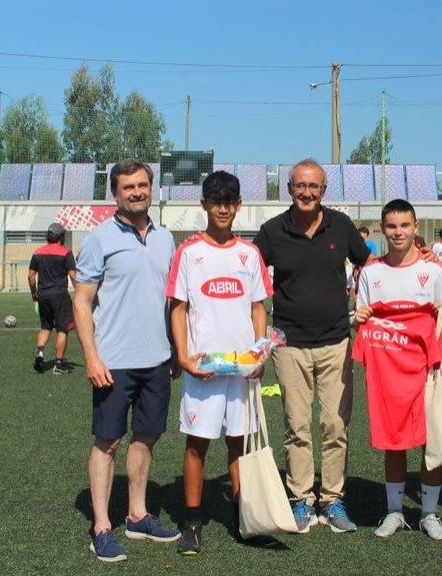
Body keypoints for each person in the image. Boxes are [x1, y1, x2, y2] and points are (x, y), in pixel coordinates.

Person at [254, 159, 372, 533]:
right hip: (289, 344)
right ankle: (301, 499)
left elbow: (371, 266)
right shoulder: (272, 231)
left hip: (336, 341)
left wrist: (416, 260)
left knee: (335, 425)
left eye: (314, 186)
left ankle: (333, 499)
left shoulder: (341, 225)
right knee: (297, 426)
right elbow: (247, 271)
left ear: (324, 190)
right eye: (300, 186)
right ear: (290, 188)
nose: (307, 192)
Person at [73, 160, 180, 562]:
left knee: (146, 437)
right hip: (113, 361)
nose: (136, 192)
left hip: (157, 360)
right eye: (128, 187)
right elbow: (82, 301)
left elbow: (171, 301)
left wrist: (174, 349)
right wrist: (91, 357)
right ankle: (101, 527)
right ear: (115, 194)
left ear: (151, 188)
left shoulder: (165, 239)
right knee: (109, 441)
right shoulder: (99, 239)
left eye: (142, 185)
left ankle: (137, 515)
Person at [167, 171, 272, 555]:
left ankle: (244, 517)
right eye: (216, 202)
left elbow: (258, 308)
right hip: (204, 368)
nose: (223, 209)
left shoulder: (250, 254)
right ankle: (192, 522)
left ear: (239, 205)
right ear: (204, 205)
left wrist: (259, 353)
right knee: (197, 444)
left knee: (238, 444)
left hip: (241, 370)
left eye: (229, 202)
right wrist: (183, 356)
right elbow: (178, 309)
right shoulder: (188, 253)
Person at [353, 199, 442, 541]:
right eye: (392, 226)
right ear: (382, 230)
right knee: (393, 441)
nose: (398, 232)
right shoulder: (371, 273)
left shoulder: (433, 271)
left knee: (431, 440)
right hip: (388, 371)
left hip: (427, 370)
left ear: (415, 227)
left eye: (405, 226)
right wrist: (358, 319)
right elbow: (361, 321)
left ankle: (429, 513)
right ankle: (395, 511)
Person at [28, 222, 76, 374]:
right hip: (60, 296)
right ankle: (59, 364)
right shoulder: (66, 253)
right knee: (62, 329)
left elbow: (31, 277)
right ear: (61, 237)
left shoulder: (37, 252)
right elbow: (73, 276)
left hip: (43, 296)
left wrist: (35, 296)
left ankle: (40, 353)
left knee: (45, 327)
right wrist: (81, 292)